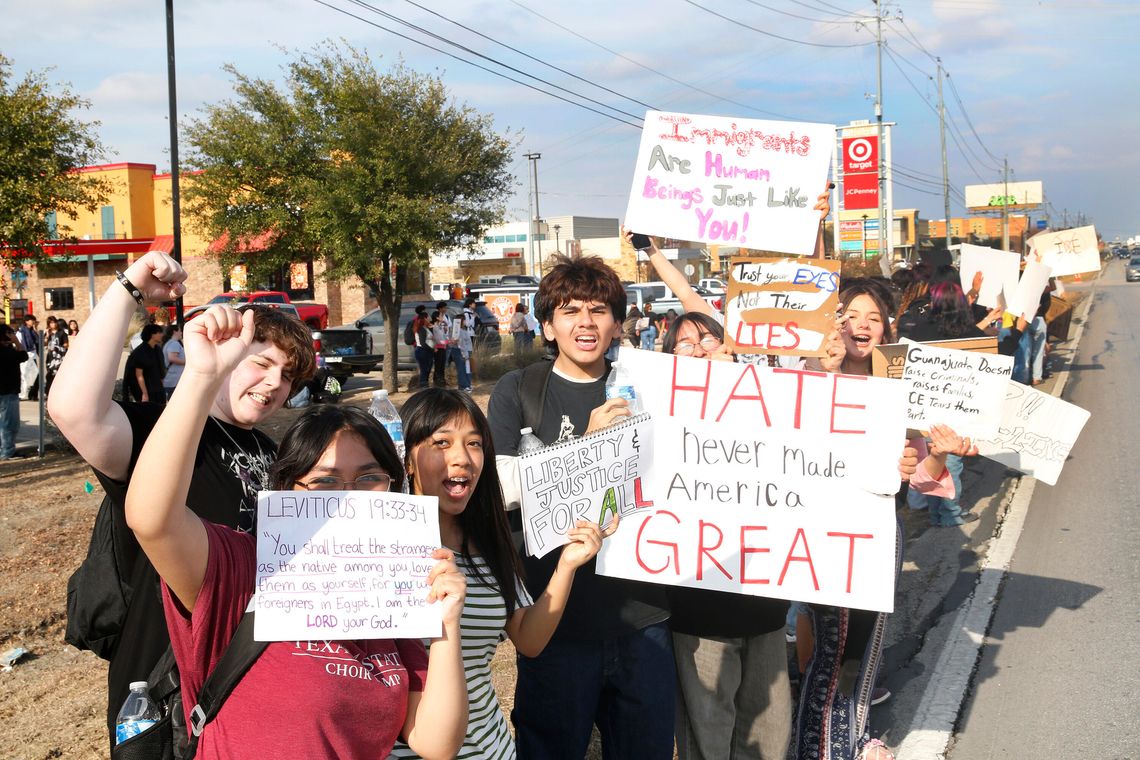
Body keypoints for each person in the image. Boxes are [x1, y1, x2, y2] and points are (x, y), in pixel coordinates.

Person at [123, 307, 468, 758]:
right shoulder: (245, 569)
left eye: (369, 478)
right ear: (288, 491)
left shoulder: (394, 605)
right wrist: (201, 379)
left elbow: (436, 743)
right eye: (324, 482)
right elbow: (152, 519)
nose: (349, 498)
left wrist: (446, 628)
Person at [47, 251, 317, 749]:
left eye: (289, 377)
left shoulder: (275, 453)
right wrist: (129, 290)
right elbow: (72, 410)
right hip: (164, 695)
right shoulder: (166, 433)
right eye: (261, 363)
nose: (275, 384)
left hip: (254, 687)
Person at [488, 254, 675, 760]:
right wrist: (583, 450)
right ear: (547, 325)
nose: (585, 322)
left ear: (618, 323)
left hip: (644, 618)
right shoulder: (519, 390)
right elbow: (496, 486)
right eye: (569, 311)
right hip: (555, 619)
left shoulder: (651, 387)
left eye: (598, 310)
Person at [791, 281, 971, 760]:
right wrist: (820, 373)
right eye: (852, 315)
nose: (863, 325)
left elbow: (923, 481)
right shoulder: (808, 375)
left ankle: (852, 735)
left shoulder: (902, 388)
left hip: (879, 532)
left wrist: (935, 457)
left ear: (887, 329)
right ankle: (818, 747)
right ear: (837, 322)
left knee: (867, 642)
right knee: (832, 645)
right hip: (821, 530)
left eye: (874, 317)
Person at [391, 388, 616, 759]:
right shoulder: (378, 550)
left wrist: (567, 565)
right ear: (408, 459)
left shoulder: (487, 543)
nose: (462, 458)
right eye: (442, 442)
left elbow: (528, 639)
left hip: (493, 748)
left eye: (475, 444)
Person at [1, 324, 28, 460]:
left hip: (6, 391)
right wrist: (17, 342)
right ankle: (7, 451)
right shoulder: (7, 352)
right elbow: (24, 356)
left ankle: (4, 450)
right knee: (9, 424)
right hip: (8, 392)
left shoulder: (8, 351)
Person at [124, 323, 167, 404]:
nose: (162, 335)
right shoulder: (140, 352)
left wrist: (162, 388)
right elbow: (139, 375)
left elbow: (160, 370)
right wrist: (144, 394)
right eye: (159, 333)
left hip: (158, 389)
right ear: (152, 335)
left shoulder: (157, 350)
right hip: (147, 390)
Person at [448, 305, 473, 392]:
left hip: (465, 352)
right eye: (465, 320)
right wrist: (464, 354)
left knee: (467, 369)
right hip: (461, 352)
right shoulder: (458, 331)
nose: (466, 321)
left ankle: (467, 384)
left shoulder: (464, 330)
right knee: (462, 369)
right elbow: (460, 344)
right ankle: (464, 386)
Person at [16, 314, 41, 401]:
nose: (33, 322)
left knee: (36, 375)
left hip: (32, 355)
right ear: (26, 321)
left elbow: (39, 341)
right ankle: (22, 394)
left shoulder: (33, 331)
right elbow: (19, 343)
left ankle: (33, 395)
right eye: (31, 320)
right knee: (24, 375)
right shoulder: (21, 331)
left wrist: (35, 330)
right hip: (25, 355)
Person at [43, 314, 69, 397]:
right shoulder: (48, 333)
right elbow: (44, 344)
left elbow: (66, 344)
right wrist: (47, 335)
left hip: (59, 356)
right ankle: (48, 393)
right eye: (50, 323)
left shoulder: (61, 333)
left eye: (54, 322)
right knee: (50, 374)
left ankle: (59, 392)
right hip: (50, 357)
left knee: (58, 374)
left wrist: (57, 347)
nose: (53, 324)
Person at [411, 304, 435, 391]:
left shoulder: (426, 328)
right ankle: (423, 387)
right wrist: (432, 349)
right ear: (424, 319)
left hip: (427, 351)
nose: (429, 319)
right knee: (424, 370)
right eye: (427, 317)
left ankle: (425, 386)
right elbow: (422, 343)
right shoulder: (421, 329)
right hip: (422, 351)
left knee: (427, 369)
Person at [162, 324, 185, 400]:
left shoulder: (170, 343)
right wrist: (187, 362)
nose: (181, 332)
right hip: (174, 379)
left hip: (172, 378)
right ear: (174, 331)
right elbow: (172, 358)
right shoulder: (174, 343)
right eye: (180, 331)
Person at [431, 308, 450, 387]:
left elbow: (444, 337)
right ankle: (438, 381)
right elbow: (438, 340)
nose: (443, 318)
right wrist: (448, 342)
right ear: (437, 318)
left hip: (443, 347)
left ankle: (441, 380)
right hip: (438, 348)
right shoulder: (435, 327)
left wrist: (445, 328)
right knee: (439, 365)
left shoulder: (440, 327)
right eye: (441, 316)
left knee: (442, 365)